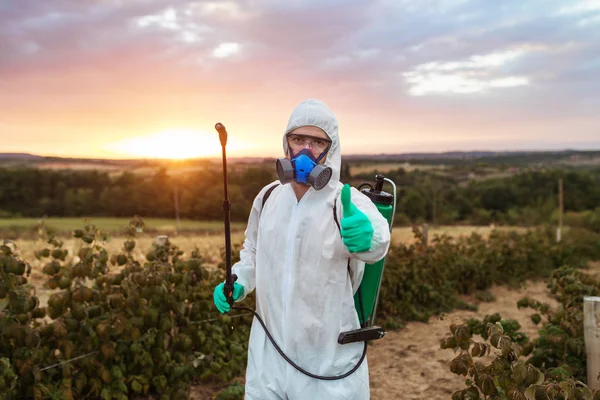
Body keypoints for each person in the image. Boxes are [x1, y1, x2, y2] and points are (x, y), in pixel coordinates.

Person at [213, 99, 391, 399]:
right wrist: (239, 281)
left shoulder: (346, 201)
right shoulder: (268, 196)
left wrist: (368, 237)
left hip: (328, 365)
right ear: (287, 144)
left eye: (317, 141)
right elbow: (253, 252)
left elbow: (378, 242)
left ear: (330, 149)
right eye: (298, 139)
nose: (306, 149)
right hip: (269, 359)